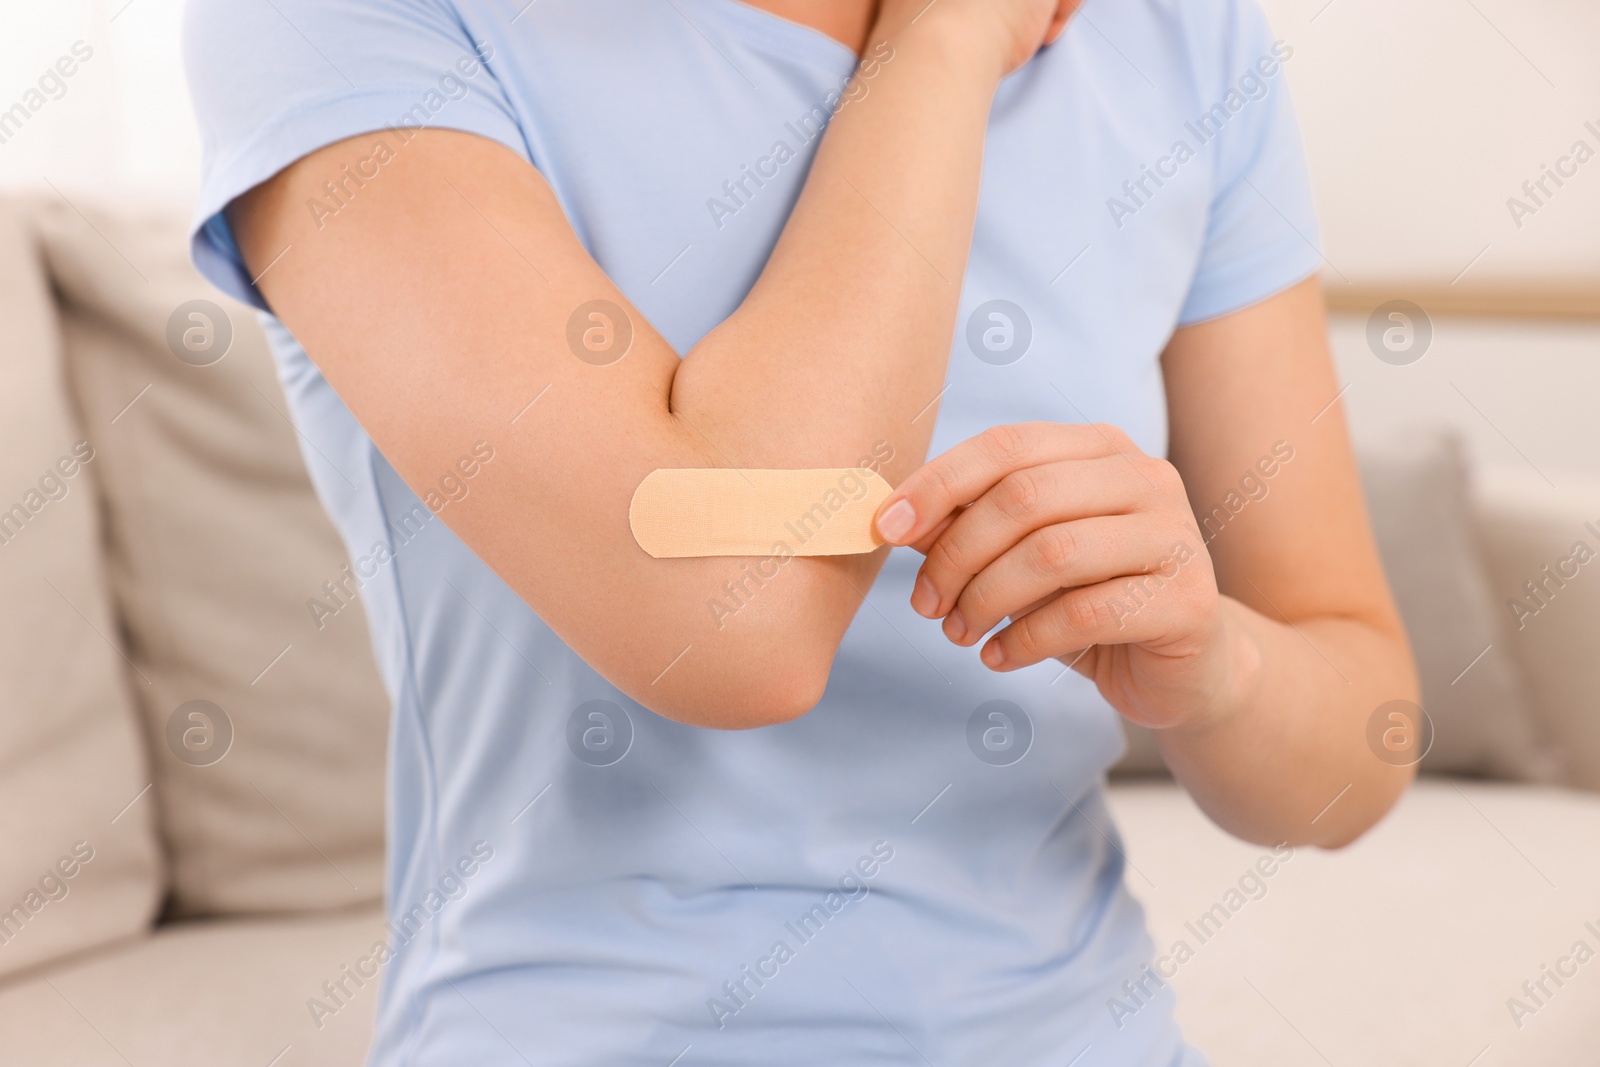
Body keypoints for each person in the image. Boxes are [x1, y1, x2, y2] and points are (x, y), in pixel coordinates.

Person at [183, 0, 1418, 1063]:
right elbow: (731, 622)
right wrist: (945, 39)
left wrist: (1218, 666)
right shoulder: (349, 22)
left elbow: (1361, 745)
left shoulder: (1177, 37)